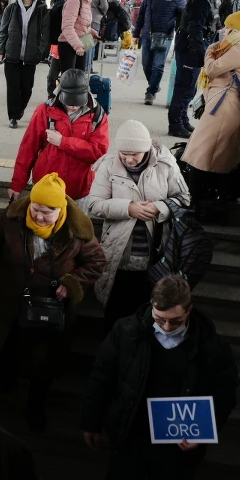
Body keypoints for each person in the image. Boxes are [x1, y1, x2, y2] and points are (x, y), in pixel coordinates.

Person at [81, 275, 238, 480]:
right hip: (132, 433)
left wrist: (201, 433)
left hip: (177, 445)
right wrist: (91, 420)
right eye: (160, 319)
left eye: (175, 321)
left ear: (188, 310)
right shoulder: (127, 331)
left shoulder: (211, 346)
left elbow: (224, 395)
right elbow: (102, 376)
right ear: (151, 307)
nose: (166, 326)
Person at [0, 173, 106, 430]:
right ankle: (6, 384)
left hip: (49, 308)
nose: (38, 216)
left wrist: (72, 282)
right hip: (10, 301)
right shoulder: (12, 218)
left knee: (43, 361)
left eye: (47, 213)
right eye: (35, 209)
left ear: (60, 210)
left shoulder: (77, 231)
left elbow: (96, 262)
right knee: (7, 347)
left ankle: (35, 406)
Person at [83, 120, 191, 328]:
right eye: (124, 153)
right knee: (116, 314)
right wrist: (128, 208)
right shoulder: (108, 165)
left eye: (135, 154)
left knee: (147, 315)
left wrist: (159, 208)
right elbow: (94, 204)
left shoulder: (165, 164)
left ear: (146, 149)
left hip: (155, 256)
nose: (128, 159)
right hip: (118, 254)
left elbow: (183, 198)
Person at [181, 8, 240, 221]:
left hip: (224, 110)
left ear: (236, 30)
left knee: (202, 156)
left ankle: (197, 203)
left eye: (228, 27)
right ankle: (207, 201)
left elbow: (211, 69)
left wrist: (210, 50)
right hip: (223, 108)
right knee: (213, 156)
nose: (224, 31)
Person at [11, 68, 110, 203]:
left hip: (79, 191)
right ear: (60, 92)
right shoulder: (44, 111)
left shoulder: (98, 116)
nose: (73, 106)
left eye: (78, 102)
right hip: (46, 187)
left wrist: (63, 142)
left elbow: (98, 152)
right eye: (69, 101)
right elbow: (28, 148)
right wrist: (17, 185)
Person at [169, 0, 227, 138]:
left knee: (190, 88)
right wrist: (202, 55)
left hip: (195, 48)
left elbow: (212, 24)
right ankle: (176, 125)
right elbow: (195, 29)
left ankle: (182, 120)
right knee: (184, 88)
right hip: (190, 49)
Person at [0, 0, 50, 129]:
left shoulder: (41, 10)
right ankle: (13, 117)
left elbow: (44, 36)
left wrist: (39, 52)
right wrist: (0, 50)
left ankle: (19, 110)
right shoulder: (11, 9)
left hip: (30, 56)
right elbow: (3, 31)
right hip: (12, 54)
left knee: (27, 88)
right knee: (13, 88)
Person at [134, 0, 187, 106]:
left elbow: (183, 17)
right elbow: (141, 16)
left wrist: (181, 35)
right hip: (147, 35)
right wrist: (136, 34)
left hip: (165, 36)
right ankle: (155, 85)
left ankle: (150, 92)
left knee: (158, 66)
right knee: (146, 65)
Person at [48, 0, 99, 97]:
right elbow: (67, 27)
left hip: (78, 44)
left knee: (79, 79)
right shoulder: (74, 1)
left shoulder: (85, 0)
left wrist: (90, 31)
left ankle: (75, 103)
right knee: (69, 80)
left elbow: (80, 23)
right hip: (68, 45)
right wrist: (77, 45)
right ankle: (61, 102)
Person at [87, 0, 109, 71]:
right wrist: (102, 13)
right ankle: (88, 67)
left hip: (87, 17)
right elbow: (104, 6)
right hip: (96, 19)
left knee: (87, 43)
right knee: (91, 45)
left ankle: (87, 67)